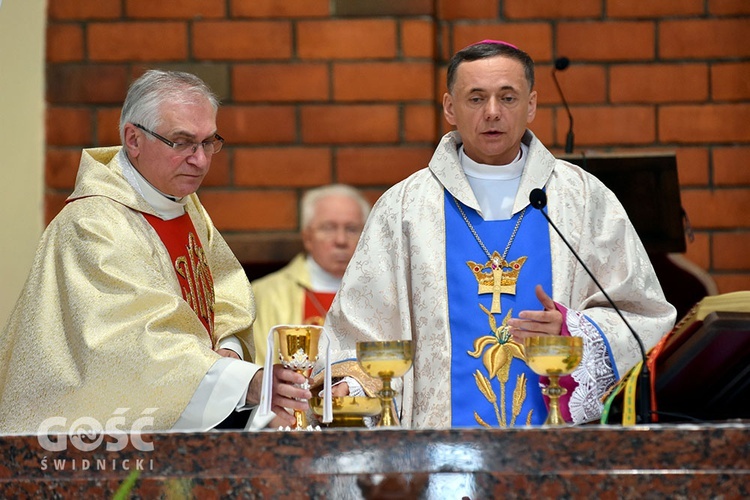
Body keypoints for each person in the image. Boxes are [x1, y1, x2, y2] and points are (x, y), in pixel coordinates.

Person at [322, 40, 677, 428]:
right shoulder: (404, 207)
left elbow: (643, 316)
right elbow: (363, 328)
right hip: (438, 453)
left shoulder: (583, 198)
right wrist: (352, 387)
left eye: (508, 98)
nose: (493, 113)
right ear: (449, 108)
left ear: (532, 105)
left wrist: (574, 331)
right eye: (476, 99)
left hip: (559, 454)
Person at [0, 70, 307, 434]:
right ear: (133, 139)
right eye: (182, 142)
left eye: (209, 142)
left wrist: (229, 352)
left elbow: (223, 292)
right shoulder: (93, 223)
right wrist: (242, 382)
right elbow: (131, 345)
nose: (201, 160)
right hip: (93, 440)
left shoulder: (182, 204)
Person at [251, 184, 370, 363]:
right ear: (307, 237)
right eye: (328, 228)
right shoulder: (266, 294)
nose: (341, 240)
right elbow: (260, 369)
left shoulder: (382, 293)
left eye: (352, 229)